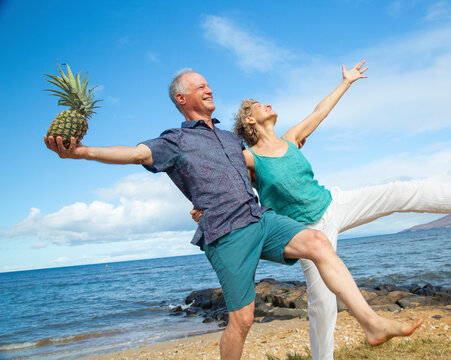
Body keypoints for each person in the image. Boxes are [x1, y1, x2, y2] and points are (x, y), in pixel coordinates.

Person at [44, 68, 423, 360]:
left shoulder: (231, 139)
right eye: (199, 86)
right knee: (241, 320)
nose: (209, 89)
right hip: (226, 233)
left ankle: (371, 323)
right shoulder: (173, 141)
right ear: (182, 97)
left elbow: (259, 163)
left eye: (208, 84)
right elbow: (132, 153)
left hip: (260, 218)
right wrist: (80, 151)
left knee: (318, 242)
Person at [222, 61, 451, 360]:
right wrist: (201, 206)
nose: (267, 104)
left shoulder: (291, 138)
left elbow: (321, 111)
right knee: (322, 303)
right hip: (307, 232)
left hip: (333, 203)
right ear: (249, 120)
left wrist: (346, 82)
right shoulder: (248, 158)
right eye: (258, 105)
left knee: (397, 190)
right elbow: (221, 178)